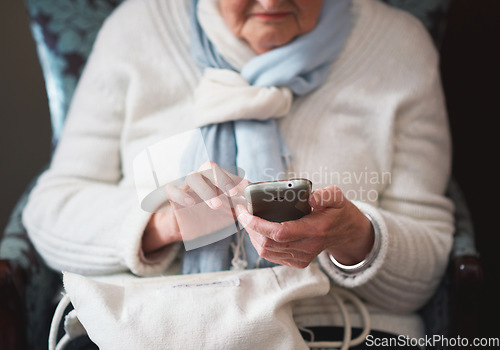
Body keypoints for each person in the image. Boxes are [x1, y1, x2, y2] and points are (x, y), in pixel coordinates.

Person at [23, 0, 454, 347]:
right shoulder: (134, 29)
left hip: (336, 326)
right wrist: (162, 226)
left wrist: (354, 235)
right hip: (149, 321)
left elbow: (429, 261)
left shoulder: (400, 46)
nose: (271, 2)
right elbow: (52, 210)